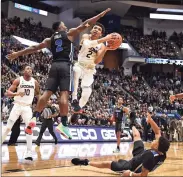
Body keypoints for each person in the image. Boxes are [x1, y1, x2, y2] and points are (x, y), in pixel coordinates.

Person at [7, 8, 111, 139]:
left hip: (54, 66)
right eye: (64, 24)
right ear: (61, 27)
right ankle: (63, 124)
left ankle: (35, 117)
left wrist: (17, 53)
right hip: (65, 65)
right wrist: (100, 15)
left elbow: (33, 48)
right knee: (64, 95)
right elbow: (87, 23)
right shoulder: (69, 33)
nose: (66, 25)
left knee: (47, 93)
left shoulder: (48, 40)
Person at [71, 112, 170, 176]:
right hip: (141, 155)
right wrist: (151, 121)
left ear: (157, 146)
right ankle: (132, 124)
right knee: (137, 134)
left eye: (155, 142)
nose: (153, 141)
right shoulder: (162, 152)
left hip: (131, 166)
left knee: (107, 164)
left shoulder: (150, 157)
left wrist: (130, 174)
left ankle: (86, 162)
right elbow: (157, 132)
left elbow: (143, 175)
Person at [72, 23, 119, 113]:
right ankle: (74, 98)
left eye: (99, 29)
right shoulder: (86, 36)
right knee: (76, 71)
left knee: (87, 92)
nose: (96, 30)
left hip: (89, 69)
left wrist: (105, 50)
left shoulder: (101, 46)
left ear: (100, 34)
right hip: (80, 65)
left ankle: (76, 108)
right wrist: (105, 39)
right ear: (91, 30)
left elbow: (96, 61)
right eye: (95, 28)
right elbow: (87, 45)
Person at [2, 65, 40, 161]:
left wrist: (38, 106)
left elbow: (38, 94)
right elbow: (7, 93)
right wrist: (17, 94)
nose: (29, 70)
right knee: (8, 128)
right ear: (23, 71)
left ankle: (29, 152)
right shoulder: (18, 80)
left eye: (31, 69)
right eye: (27, 68)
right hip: (17, 105)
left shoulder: (35, 82)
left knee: (29, 129)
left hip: (27, 107)